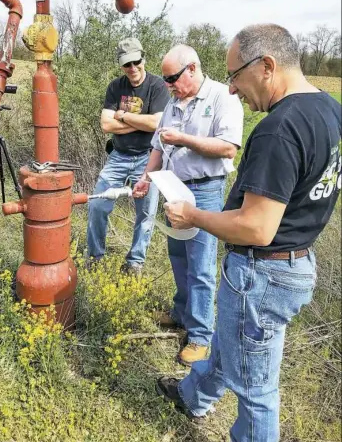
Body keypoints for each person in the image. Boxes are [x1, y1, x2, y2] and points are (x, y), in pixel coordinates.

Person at [156, 24, 341, 441]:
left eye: (236, 76)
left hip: (264, 272)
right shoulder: (329, 110)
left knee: (256, 389)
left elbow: (256, 227)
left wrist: (194, 216)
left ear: (267, 66)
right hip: (295, 260)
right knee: (230, 342)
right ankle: (193, 396)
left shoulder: (279, 129)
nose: (234, 91)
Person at [133, 44, 244, 365]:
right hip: (174, 189)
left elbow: (227, 148)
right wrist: (145, 178)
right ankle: (181, 312)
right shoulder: (173, 101)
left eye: (172, 78)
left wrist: (184, 140)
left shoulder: (223, 97)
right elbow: (156, 146)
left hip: (205, 192)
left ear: (192, 69)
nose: (167, 85)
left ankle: (199, 335)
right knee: (178, 255)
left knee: (201, 265)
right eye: (165, 79)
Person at [86, 38, 170, 275]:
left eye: (136, 62)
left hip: (147, 157)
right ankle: (95, 257)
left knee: (146, 212)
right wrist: (142, 123)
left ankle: (135, 262)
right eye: (127, 64)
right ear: (121, 66)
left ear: (143, 58)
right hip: (119, 156)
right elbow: (105, 124)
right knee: (98, 205)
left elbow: (157, 123)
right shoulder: (116, 86)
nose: (133, 68)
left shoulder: (157, 86)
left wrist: (122, 116)